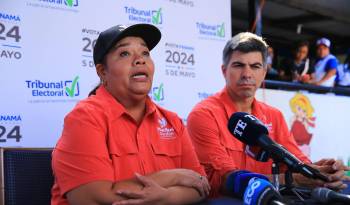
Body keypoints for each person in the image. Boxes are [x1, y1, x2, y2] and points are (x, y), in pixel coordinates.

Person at [51, 23, 210, 205]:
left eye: (145, 53)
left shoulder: (172, 121)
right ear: (103, 71)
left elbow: (200, 185)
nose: (139, 60)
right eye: (124, 54)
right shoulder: (84, 118)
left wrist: (166, 198)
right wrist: (172, 177)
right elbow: (93, 198)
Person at [187, 32, 350, 197]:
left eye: (255, 66)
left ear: (264, 72)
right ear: (224, 71)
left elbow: (296, 164)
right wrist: (299, 179)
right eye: (238, 65)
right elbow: (225, 180)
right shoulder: (204, 115)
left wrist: (322, 171)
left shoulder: (274, 115)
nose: (247, 74)